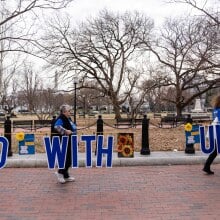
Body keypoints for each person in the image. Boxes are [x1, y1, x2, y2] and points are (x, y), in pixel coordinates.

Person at [54, 104, 77, 183]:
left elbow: (73, 127)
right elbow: (56, 126)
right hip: (64, 142)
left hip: (70, 141)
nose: (70, 112)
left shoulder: (68, 118)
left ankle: (66, 175)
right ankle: (60, 173)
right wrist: (65, 131)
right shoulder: (61, 118)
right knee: (65, 159)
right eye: (69, 111)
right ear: (64, 112)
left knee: (69, 159)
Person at [203, 95, 220, 175]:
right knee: (215, 151)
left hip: (215, 132)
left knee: (215, 151)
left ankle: (206, 166)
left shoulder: (215, 110)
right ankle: (206, 166)